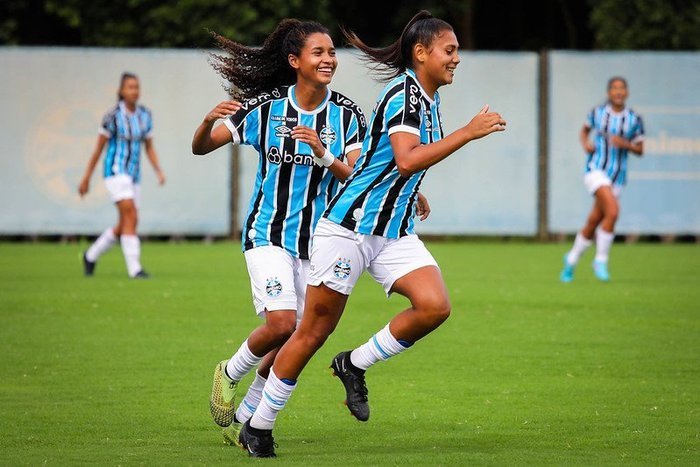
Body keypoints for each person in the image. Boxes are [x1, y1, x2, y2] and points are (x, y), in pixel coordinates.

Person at [237, 11, 506, 457]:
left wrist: (413, 191)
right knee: (311, 332)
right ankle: (258, 426)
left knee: (435, 306)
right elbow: (404, 158)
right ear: (421, 53)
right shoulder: (403, 93)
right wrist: (467, 133)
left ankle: (354, 364)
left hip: (393, 231)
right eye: (450, 49)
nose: (456, 58)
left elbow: (394, 166)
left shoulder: (427, 98)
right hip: (350, 228)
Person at [191, 19, 373, 448]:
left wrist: (324, 154)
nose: (328, 60)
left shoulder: (347, 115)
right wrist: (205, 121)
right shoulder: (267, 108)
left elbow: (355, 177)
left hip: (319, 242)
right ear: (295, 61)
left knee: (296, 338)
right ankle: (229, 371)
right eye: (319, 53)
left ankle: (248, 417)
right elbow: (201, 147)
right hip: (266, 234)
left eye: (332, 53)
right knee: (281, 323)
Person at [78, 72, 165, 279]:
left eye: (137, 87)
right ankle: (135, 269)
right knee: (131, 215)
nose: (134, 91)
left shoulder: (145, 115)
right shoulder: (112, 117)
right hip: (115, 172)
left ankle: (90, 255)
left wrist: (158, 170)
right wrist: (86, 177)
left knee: (126, 223)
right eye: (130, 87)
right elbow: (99, 149)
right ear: (121, 91)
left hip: (134, 175)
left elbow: (149, 147)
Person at [560, 77, 644, 283]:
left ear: (627, 93)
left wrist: (625, 144)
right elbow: (584, 131)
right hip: (595, 170)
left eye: (621, 88)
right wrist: (585, 143)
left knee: (594, 221)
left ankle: (571, 261)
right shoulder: (598, 113)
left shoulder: (634, 119)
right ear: (609, 93)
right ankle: (600, 259)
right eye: (614, 88)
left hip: (617, 177)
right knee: (613, 212)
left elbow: (640, 149)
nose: (618, 92)